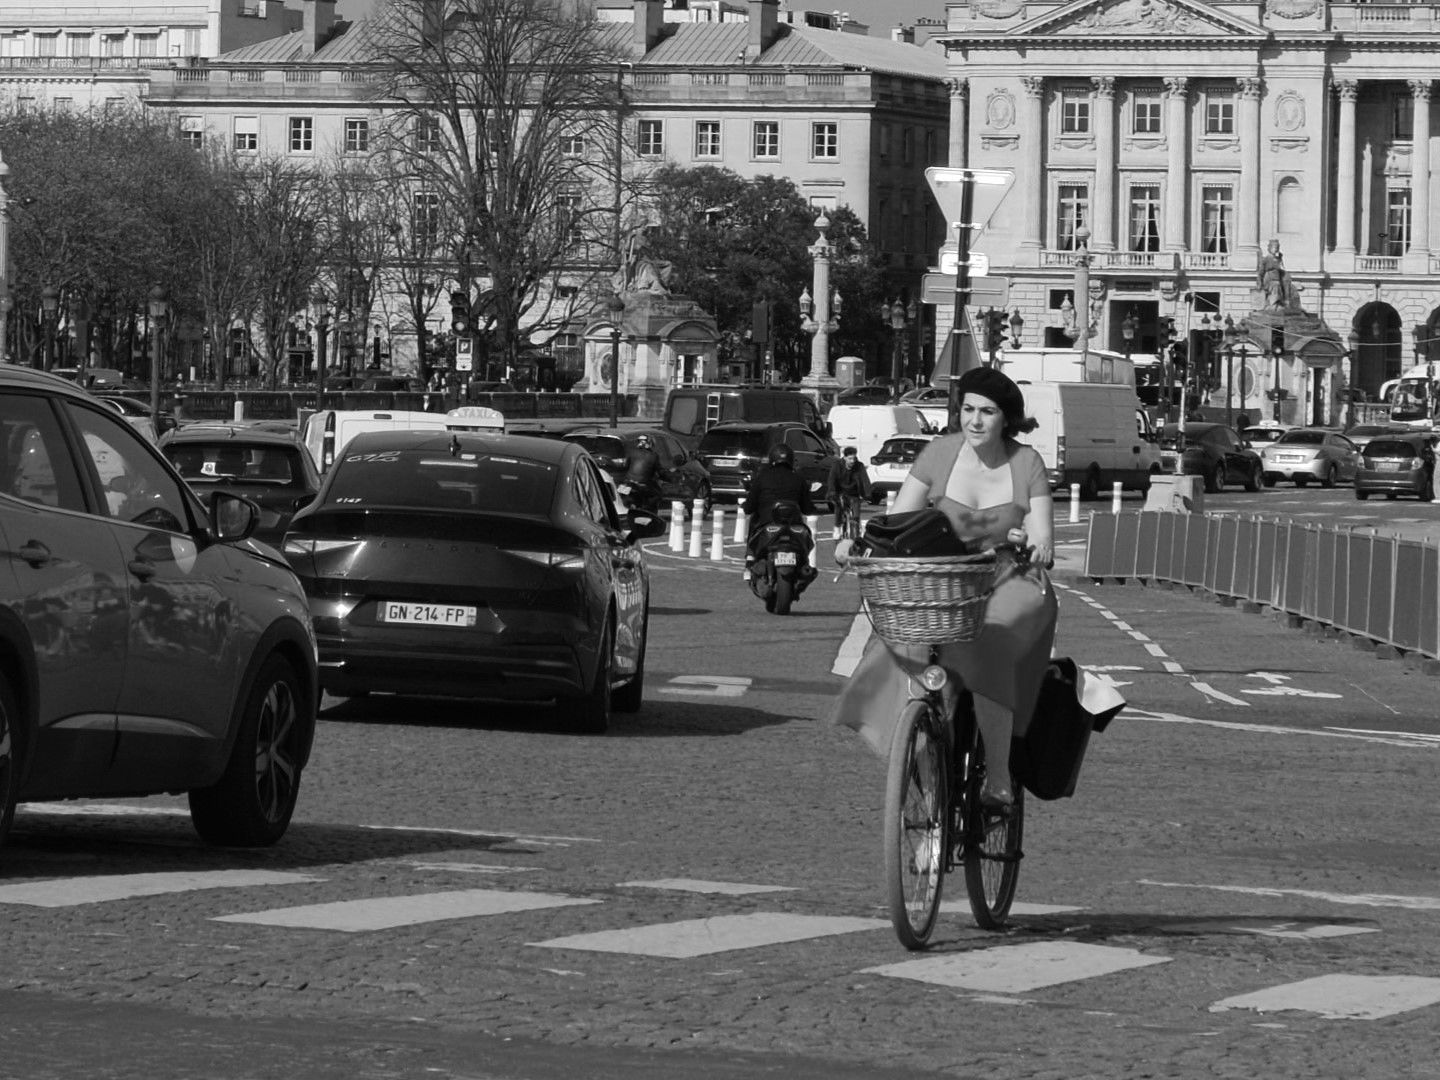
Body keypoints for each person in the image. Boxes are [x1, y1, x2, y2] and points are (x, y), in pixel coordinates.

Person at [830, 366, 1058, 808]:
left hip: (1011, 578)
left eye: (987, 412)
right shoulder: (939, 453)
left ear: (1006, 418)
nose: (975, 420)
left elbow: (1042, 531)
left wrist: (1038, 543)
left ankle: (998, 777)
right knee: (904, 646)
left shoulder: (1026, 462)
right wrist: (858, 544)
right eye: (968, 409)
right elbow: (896, 523)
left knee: (990, 645)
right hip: (947, 580)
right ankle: (928, 766)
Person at [742, 443, 816, 532]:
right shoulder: (799, 479)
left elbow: (749, 508)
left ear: (771, 459)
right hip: (793, 528)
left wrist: (745, 505)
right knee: (805, 536)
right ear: (791, 460)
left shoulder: (762, 478)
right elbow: (808, 509)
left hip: (766, 526)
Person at [825, 446, 872, 538]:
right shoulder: (837, 465)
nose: (852, 461)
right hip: (840, 492)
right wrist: (832, 492)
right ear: (845, 457)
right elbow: (831, 479)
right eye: (850, 459)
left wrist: (868, 494)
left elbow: (865, 480)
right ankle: (837, 527)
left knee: (856, 514)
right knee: (839, 506)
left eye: (854, 458)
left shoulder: (859, 466)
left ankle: (856, 533)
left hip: (854, 493)